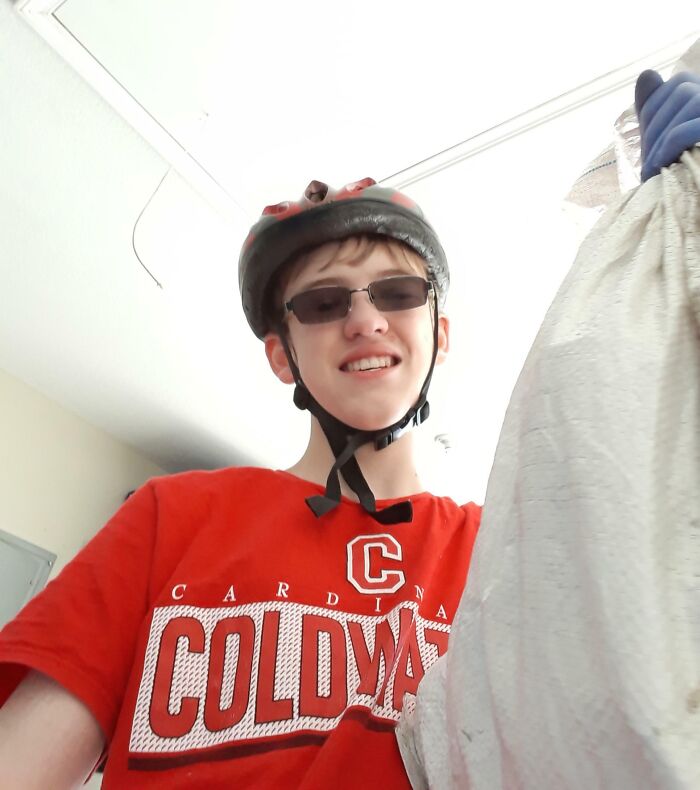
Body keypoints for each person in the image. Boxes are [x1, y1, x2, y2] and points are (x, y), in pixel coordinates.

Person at [0, 68, 698, 790]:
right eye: (324, 303)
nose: (365, 320)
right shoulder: (168, 517)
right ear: (281, 355)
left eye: (398, 293)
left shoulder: (512, 547)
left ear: (441, 333)